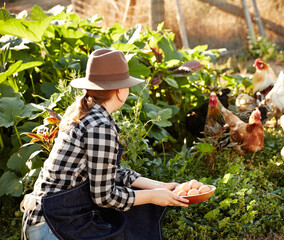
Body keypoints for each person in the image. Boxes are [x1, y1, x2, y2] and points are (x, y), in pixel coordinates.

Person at [21, 48, 189, 240]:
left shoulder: (86, 113)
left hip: (47, 217)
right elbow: (104, 196)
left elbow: (108, 172)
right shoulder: (100, 126)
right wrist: (152, 197)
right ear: (119, 90)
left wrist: (161, 187)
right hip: (52, 225)